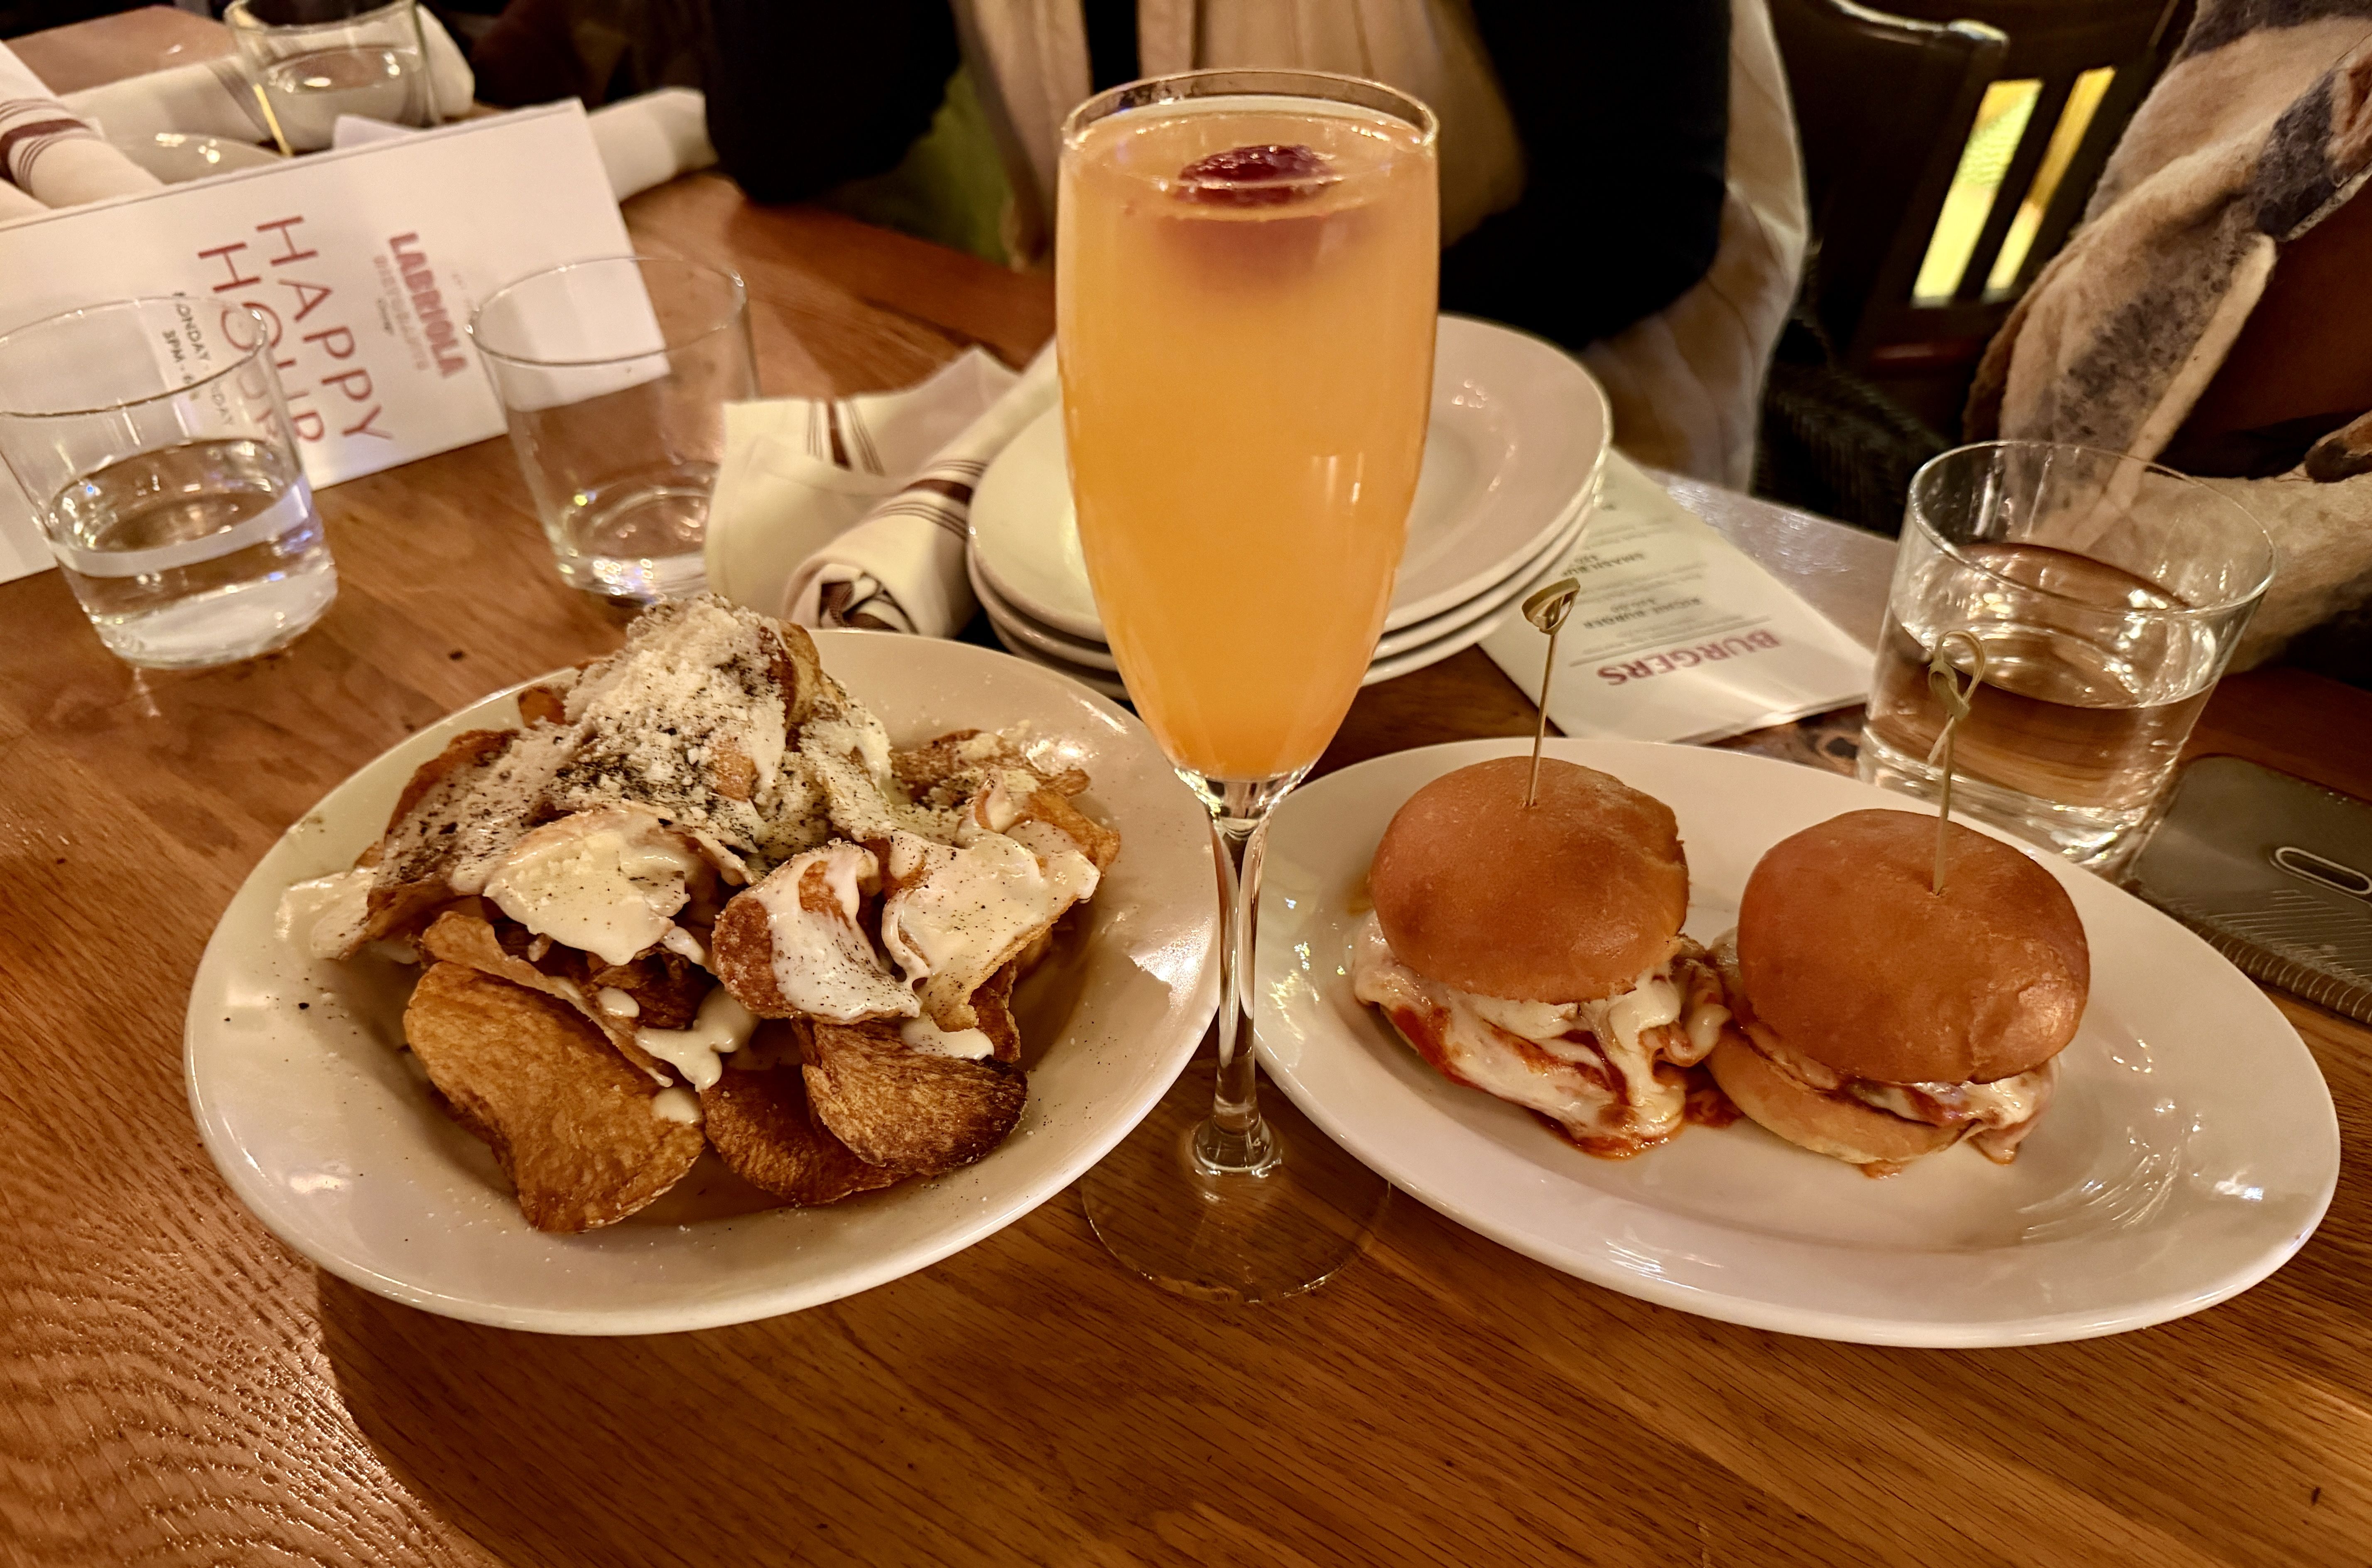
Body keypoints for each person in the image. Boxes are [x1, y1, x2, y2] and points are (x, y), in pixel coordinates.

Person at [705, 0, 1807, 487]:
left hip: (1549, 466)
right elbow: (792, 136)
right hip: (1137, 431)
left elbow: (1641, 208)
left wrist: (1248, 374)